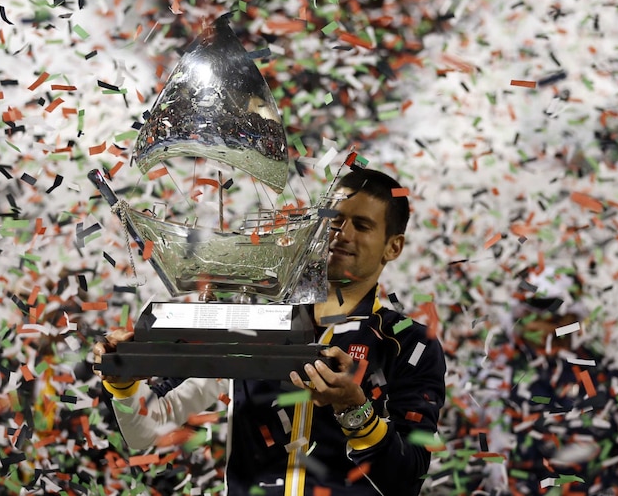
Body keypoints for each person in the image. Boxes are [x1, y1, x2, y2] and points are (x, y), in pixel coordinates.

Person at [93, 168, 447, 495]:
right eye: (335, 220)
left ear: (393, 246)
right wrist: (124, 380)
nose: (343, 234)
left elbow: (406, 481)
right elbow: (146, 429)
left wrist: (355, 409)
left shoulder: (409, 344)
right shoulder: (249, 324)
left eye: (363, 225)